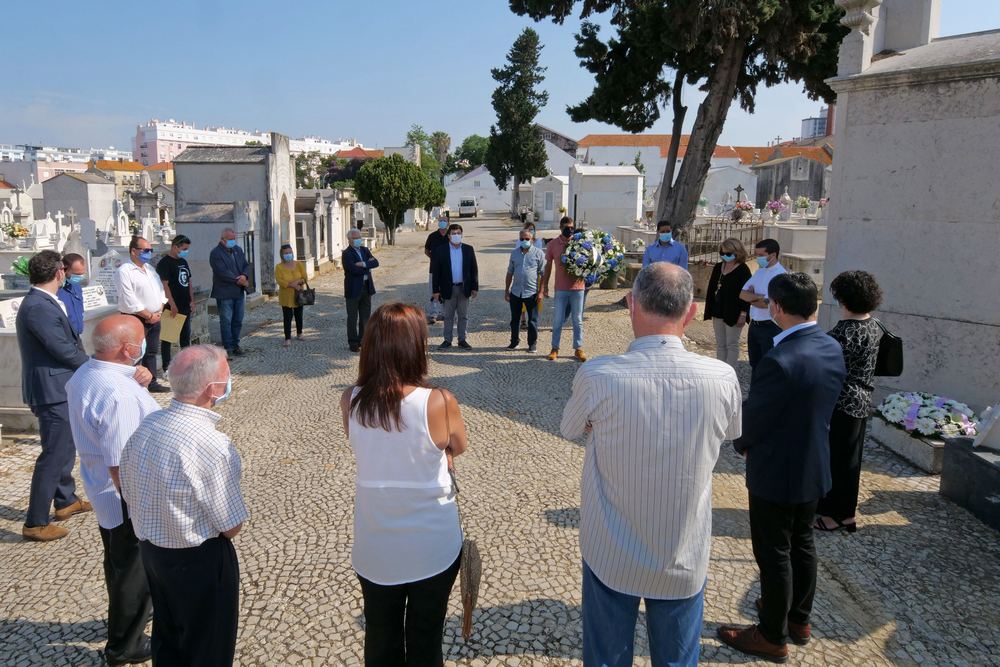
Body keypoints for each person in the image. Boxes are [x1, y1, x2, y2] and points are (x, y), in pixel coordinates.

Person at [562, 263, 742, 667]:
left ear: (632, 304)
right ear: (691, 311)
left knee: (606, 657)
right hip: (682, 550)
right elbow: (730, 432)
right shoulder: (722, 377)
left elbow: (570, 427)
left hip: (610, 548)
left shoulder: (598, 375)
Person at [719, 272, 846, 663]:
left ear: (775, 307)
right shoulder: (830, 346)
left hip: (777, 468)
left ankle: (772, 635)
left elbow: (756, 417)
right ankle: (798, 618)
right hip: (814, 462)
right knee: (802, 544)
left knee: (773, 552)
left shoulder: (780, 359)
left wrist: (742, 443)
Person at [339, 303, 467, 667]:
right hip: (433, 544)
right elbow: (458, 445)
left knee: (381, 636)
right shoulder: (439, 401)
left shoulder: (350, 400)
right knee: (426, 638)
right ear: (414, 346)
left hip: (375, 540)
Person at [120, 345, 248, 667]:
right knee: (208, 648)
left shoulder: (147, 425)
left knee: (168, 637)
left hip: (152, 553)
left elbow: (127, 487)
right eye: (227, 375)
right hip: (199, 559)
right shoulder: (212, 444)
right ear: (212, 389)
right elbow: (231, 525)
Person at [66, 315, 158, 666]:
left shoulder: (87, 373)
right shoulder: (118, 395)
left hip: (102, 490)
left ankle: (128, 615)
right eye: (140, 340)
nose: (145, 344)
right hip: (125, 497)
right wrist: (141, 507)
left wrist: (138, 378)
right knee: (133, 569)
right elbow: (121, 461)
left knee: (120, 564)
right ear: (127, 349)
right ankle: (124, 645)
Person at [15, 250, 94, 541]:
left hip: (60, 386)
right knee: (53, 454)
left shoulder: (46, 301)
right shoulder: (38, 305)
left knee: (65, 447)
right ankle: (35, 522)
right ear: (59, 273)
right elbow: (61, 348)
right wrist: (95, 366)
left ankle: (65, 500)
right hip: (50, 390)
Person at [815, 271, 883, 533]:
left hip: (840, 402)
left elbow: (825, 366)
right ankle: (847, 513)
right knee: (851, 460)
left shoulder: (846, 331)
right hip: (862, 399)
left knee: (835, 460)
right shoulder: (874, 325)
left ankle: (834, 515)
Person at [115, 236, 170, 393]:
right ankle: (133, 384)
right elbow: (129, 298)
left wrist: (159, 310)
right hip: (136, 317)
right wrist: (148, 315)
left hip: (155, 316)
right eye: (146, 250)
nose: (149, 253)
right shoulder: (124, 271)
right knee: (134, 352)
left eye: (150, 250)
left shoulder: (150, 269)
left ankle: (151, 381)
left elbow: (160, 291)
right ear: (134, 251)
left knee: (151, 351)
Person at [542, 216, 587, 362]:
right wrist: (544, 286)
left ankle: (578, 348)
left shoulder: (580, 243)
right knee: (557, 320)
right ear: (561, 228)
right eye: (567, 228)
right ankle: (554, 348)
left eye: (572, 228)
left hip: (578, 288)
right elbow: (548, 267)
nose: (570, 230)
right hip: (561, 288)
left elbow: (589, 261)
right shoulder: (553, 245)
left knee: (577, 320)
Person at [740, 238, 787, 373]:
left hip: (770, 326)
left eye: (761, 255)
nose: (758, 258)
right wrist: (760, 297)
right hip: (755, 324)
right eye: (757, 255)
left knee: (768, 366)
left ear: (773, 255)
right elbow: (742, 294)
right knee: (755, 364)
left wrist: (753, 297)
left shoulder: (780, 275)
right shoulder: (759, 272)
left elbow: (765, 304)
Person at [704, 237, 752, 368]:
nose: (725, 255)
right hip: (718, 311)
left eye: (728, 253)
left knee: (731, 344)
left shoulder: (743, 270)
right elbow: (711, 289)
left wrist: (743, 314)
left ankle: (731, 372)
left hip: (734, 312)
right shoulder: (718, 267)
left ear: (737, 252)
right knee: (720, 344)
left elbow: (747, 293)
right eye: (722, 253)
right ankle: (721, 371)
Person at [431, 223, 478, 350]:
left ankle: (462, 340)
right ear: (449, 236)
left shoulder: (468, 249)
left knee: (463, 316)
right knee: (448, 316)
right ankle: (447, 340)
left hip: (464, 288)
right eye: (453, 233)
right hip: (448, 288)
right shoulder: (441, 250)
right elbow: (436, 272)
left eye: (458, 233)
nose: (456, 235)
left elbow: (474, 270)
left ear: (462, 235)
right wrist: (435, 290)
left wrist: (474, 287)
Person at [210, 228, 251, 359]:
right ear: (223, 240)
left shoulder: (237, 250)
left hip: (239, 292)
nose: (233, 241)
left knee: (238, 320)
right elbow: (221, 271)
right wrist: (238, 280)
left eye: (234, 239)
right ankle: (228, 347)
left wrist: (244, 276)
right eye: (230, 239)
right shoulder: (216, 253)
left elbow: (246, 265)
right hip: (225, 292)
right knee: (226, 321)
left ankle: (236, 344)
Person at [156, 235, 194, 371]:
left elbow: (189, 282)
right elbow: (164, 285)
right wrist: (172, 304)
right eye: (184, 249)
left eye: (187, 249)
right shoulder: (165, 263)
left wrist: (192, 300)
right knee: (168, 338)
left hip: (185, 305)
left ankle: (186, 364)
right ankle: (166, 367)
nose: (185, 252)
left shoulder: (183, 261)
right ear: (175, 247)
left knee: (185, 337)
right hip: (172, 306)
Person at [505, 227, 545, 352]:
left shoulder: (539, 253)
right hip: (516, 292)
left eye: (527, 239)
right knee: (515, 320)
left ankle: (532, 344)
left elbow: (543, 274)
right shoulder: (514, 253)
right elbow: (510, 272)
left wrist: (541, 292)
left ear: (532, 239)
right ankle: (514, 342)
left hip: (532, 292)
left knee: (532, 320)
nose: (524, 241)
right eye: (522, 239)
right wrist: (506, 290)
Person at [342, 230, 379, 352]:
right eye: (355, 238)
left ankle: (363, 340)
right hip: (353, 289)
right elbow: (352, 269)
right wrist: (367, 266)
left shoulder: (365, 250)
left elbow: (376, 263)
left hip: (366, 287)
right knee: (352, 318)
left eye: (359, 237)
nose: (358, 239)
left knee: (365, 317)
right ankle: (353, 343)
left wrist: (362, 264)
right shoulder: (347, 253)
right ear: (349, 240)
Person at [275, 243, 308, 348]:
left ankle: (299, 333)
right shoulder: (279, 267)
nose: (288, 255)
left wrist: (298, 282)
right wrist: (291, 285)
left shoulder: (298, 264)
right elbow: (279, 280)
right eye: (286, 253)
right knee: (287, 317)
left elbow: (305, 277)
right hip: (286, 296)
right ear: (282, 255)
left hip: (299, 294)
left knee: (299, 315)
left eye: (290, 252)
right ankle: (287, 338)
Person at [423, 218, 451, 324]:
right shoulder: (432, 236)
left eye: (444, 221)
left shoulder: (451, 236)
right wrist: (434, 259)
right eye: (441, 221)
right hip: (434, 269)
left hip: (447, 269)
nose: (442, 222)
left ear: (448, 223)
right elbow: (426, 250)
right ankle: (433, 314)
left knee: (446, 291)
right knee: (433, 291)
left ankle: (444, 314)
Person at [57, 253, 87, 335]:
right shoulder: (56, 289)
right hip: (63, 336)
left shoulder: (76, 286)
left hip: (76, 335)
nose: (80, 277)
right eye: (77, 274)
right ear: (64, 270)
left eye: (82, 273)